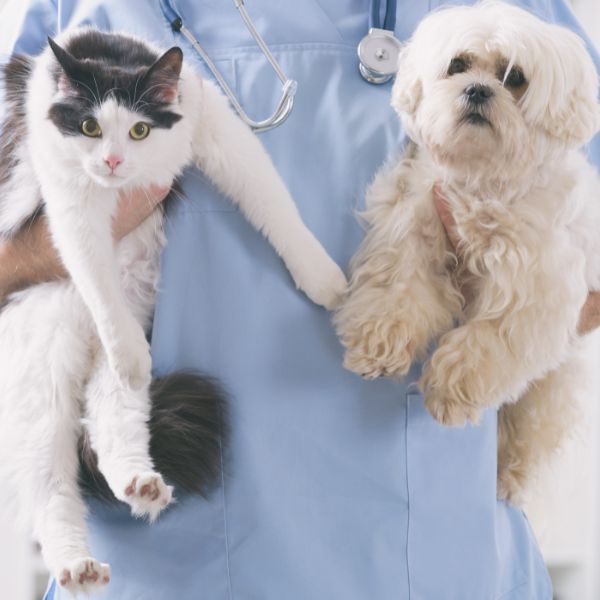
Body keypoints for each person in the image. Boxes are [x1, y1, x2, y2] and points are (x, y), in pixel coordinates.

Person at [0, 1, 599, 598]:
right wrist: (49, 247)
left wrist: (515, 291)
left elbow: (589, 267)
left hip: (438, 554)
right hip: (167, 557)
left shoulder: (523, 16)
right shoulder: (79, 10)